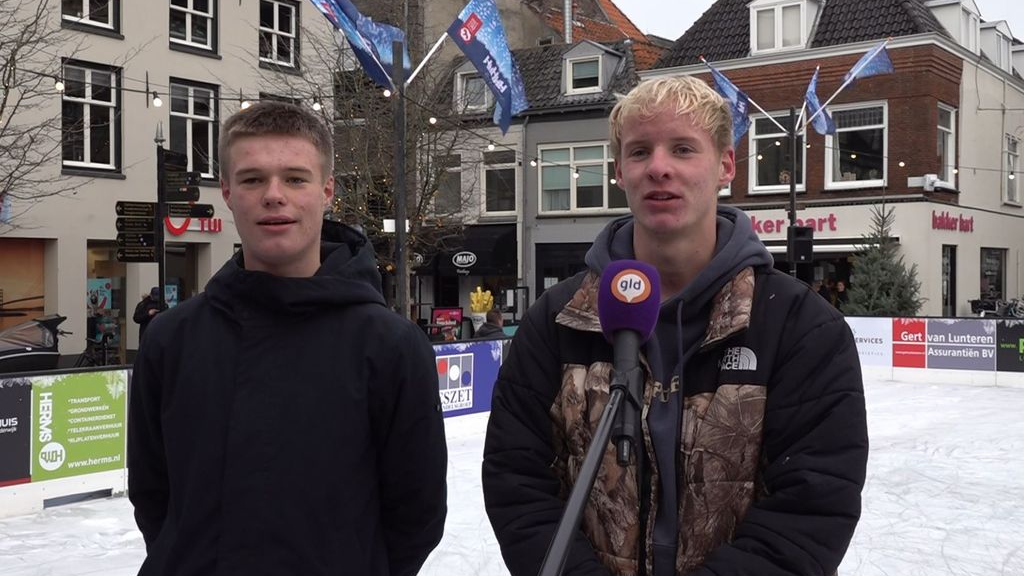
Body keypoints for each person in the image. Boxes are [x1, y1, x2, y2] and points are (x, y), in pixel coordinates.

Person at [482, 76, 868, 576]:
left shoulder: (800, 326)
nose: (659, 168)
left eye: (683, 149)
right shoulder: (557, 320)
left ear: (726, 165)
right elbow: (519, 485)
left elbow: (811, 506)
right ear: (619, 171)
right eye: (640, 152)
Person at [128, 101, 447, 576]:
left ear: (327, 191)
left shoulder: (391, 346)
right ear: (228, 191)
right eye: (253, 179)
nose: (273, 195)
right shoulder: (171, 339)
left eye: (295, 178)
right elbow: (154, 497)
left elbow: (415, 514)